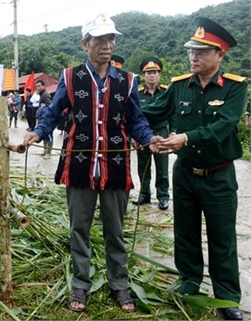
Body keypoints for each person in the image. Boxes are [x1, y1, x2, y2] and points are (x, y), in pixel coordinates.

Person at [23, 13, 162, 314]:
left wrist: (149, 139)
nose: (107, 45)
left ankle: (119, 284)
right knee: (79, 229)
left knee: (115, 230)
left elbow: (136, 120)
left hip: (114, 167)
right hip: (79, 165)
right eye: (99, 39)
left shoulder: (127, 81)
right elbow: (54, 112)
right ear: (84, 43)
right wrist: (36, 133)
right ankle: (80, 284)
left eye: (111, 39)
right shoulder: (71, 77)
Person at [142, 17, 247, 321]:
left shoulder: (235, 88)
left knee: (222, 238)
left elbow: (223, 126)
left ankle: (228, 299)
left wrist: (184, 138)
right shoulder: (178, 86)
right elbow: (154, 111)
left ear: (220, 55)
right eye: (191, 50)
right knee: (185, 233)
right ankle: (188, 283)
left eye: (202, 51)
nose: (194, 56)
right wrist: (120, 107)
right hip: (185, 173)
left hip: (219, 176)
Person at [132, 57, 171, 210]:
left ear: (159, 74)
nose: (152, 75)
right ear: (143, 75)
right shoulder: (137, 93)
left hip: (161, 133)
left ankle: (163, 196)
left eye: (154, 72)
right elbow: (132, 116)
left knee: (162, 167)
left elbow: (172, 114)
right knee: (143, 166)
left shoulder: (167, 92)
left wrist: (173, 132)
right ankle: (144, 194)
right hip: (143, 135)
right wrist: (134, 136)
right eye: (148, 73)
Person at [33, 80, 53, 159]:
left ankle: (48, 153)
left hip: (47, 119)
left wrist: (42, 111)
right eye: (37, 86)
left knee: (49, 136)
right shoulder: (41, 94)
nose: (38, 88)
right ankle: (45, 151)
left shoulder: (45, 95)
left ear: (43, 86)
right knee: (44, 135)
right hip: (42, 118)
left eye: (39, 86)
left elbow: (49, 106)